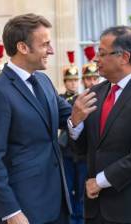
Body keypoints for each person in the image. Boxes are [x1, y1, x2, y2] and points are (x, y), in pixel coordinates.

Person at [0, 13, 95, 224]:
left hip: (58, 203)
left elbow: (69, 117)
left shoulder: (44, 81)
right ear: (23, 47)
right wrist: (11, 211)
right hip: (24, 208)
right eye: (45, 45)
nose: (51, 50)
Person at [69, 26, 131, 223]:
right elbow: (82, 150)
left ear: (124, 57)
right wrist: (75, 122)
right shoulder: (94, 93)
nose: (96, 59)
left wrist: (100, 181)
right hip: (96, 211)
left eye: (102, 53)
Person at [58, 51, 87, 224]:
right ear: (65, 82)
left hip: (81, 151)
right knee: (68, 190)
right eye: (70, 80)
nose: (73, 83)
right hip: (65, 151)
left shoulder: (84, 98)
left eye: (75, 80)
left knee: (82, 191)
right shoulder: (60, 98)